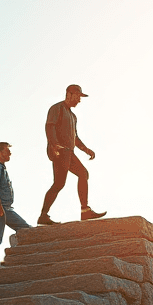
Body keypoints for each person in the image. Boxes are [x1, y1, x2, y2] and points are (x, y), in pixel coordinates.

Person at [38, 84, 106, 225]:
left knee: (82, 174)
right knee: (59, 184)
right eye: (77, 96)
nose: (79, 100)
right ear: (69, 94)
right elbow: (49, 126)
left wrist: (86, 149)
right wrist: (54, 144)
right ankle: (43, 216)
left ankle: (85, 211)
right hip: (60, 151)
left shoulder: (73, 116)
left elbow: (75, 138)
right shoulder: (57, 108)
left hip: (69, 152)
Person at [0, 142, 31, 268]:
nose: (10, 153)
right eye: (7, 150)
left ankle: (17, 257)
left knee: (23, 229)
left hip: (4, 207)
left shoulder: (1, 167)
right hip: (0, 207)